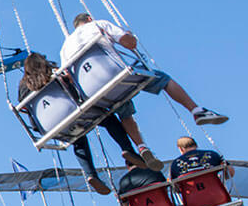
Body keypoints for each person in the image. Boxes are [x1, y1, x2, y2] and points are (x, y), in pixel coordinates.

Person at [60, 12, 227, 129]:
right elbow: (129, 44)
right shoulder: (99, 24)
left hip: (94, 91)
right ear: (89, 18)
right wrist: (129, 36)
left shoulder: (64, 48)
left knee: (121, 105)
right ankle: (197, 111)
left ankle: (141, 147)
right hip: (116, 75)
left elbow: (67, 75)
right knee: (163, 79)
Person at [18, 53, 143, 192]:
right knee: (107, 118)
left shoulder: (23, 88)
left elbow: (24, 108)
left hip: (49, 126)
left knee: (77, 137)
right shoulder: (52, 73)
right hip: (69, 110)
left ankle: (90, 174)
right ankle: (128, 150)